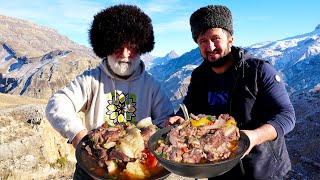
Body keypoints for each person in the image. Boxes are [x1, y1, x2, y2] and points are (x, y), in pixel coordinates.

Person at [167, 5, 295, 179]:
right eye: (203, 41)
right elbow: (189, 110)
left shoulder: (258, 71)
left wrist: (254, 137)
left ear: (230, 39)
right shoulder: (199, 76)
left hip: (265, 171)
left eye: (215, 38)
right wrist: (180, 118)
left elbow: (287, 115)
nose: (210, 46)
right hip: (219, 169)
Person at [45, 4, 173, 179]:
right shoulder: (91, 80)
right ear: (106, 46)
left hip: (140, 171)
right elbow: (57, 104)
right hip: (93, 171)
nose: (126, 54)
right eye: (118, 47)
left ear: (142, 47)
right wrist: (80, 136)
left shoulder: (152, 86)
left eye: (133, 47)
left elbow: (165, 121)